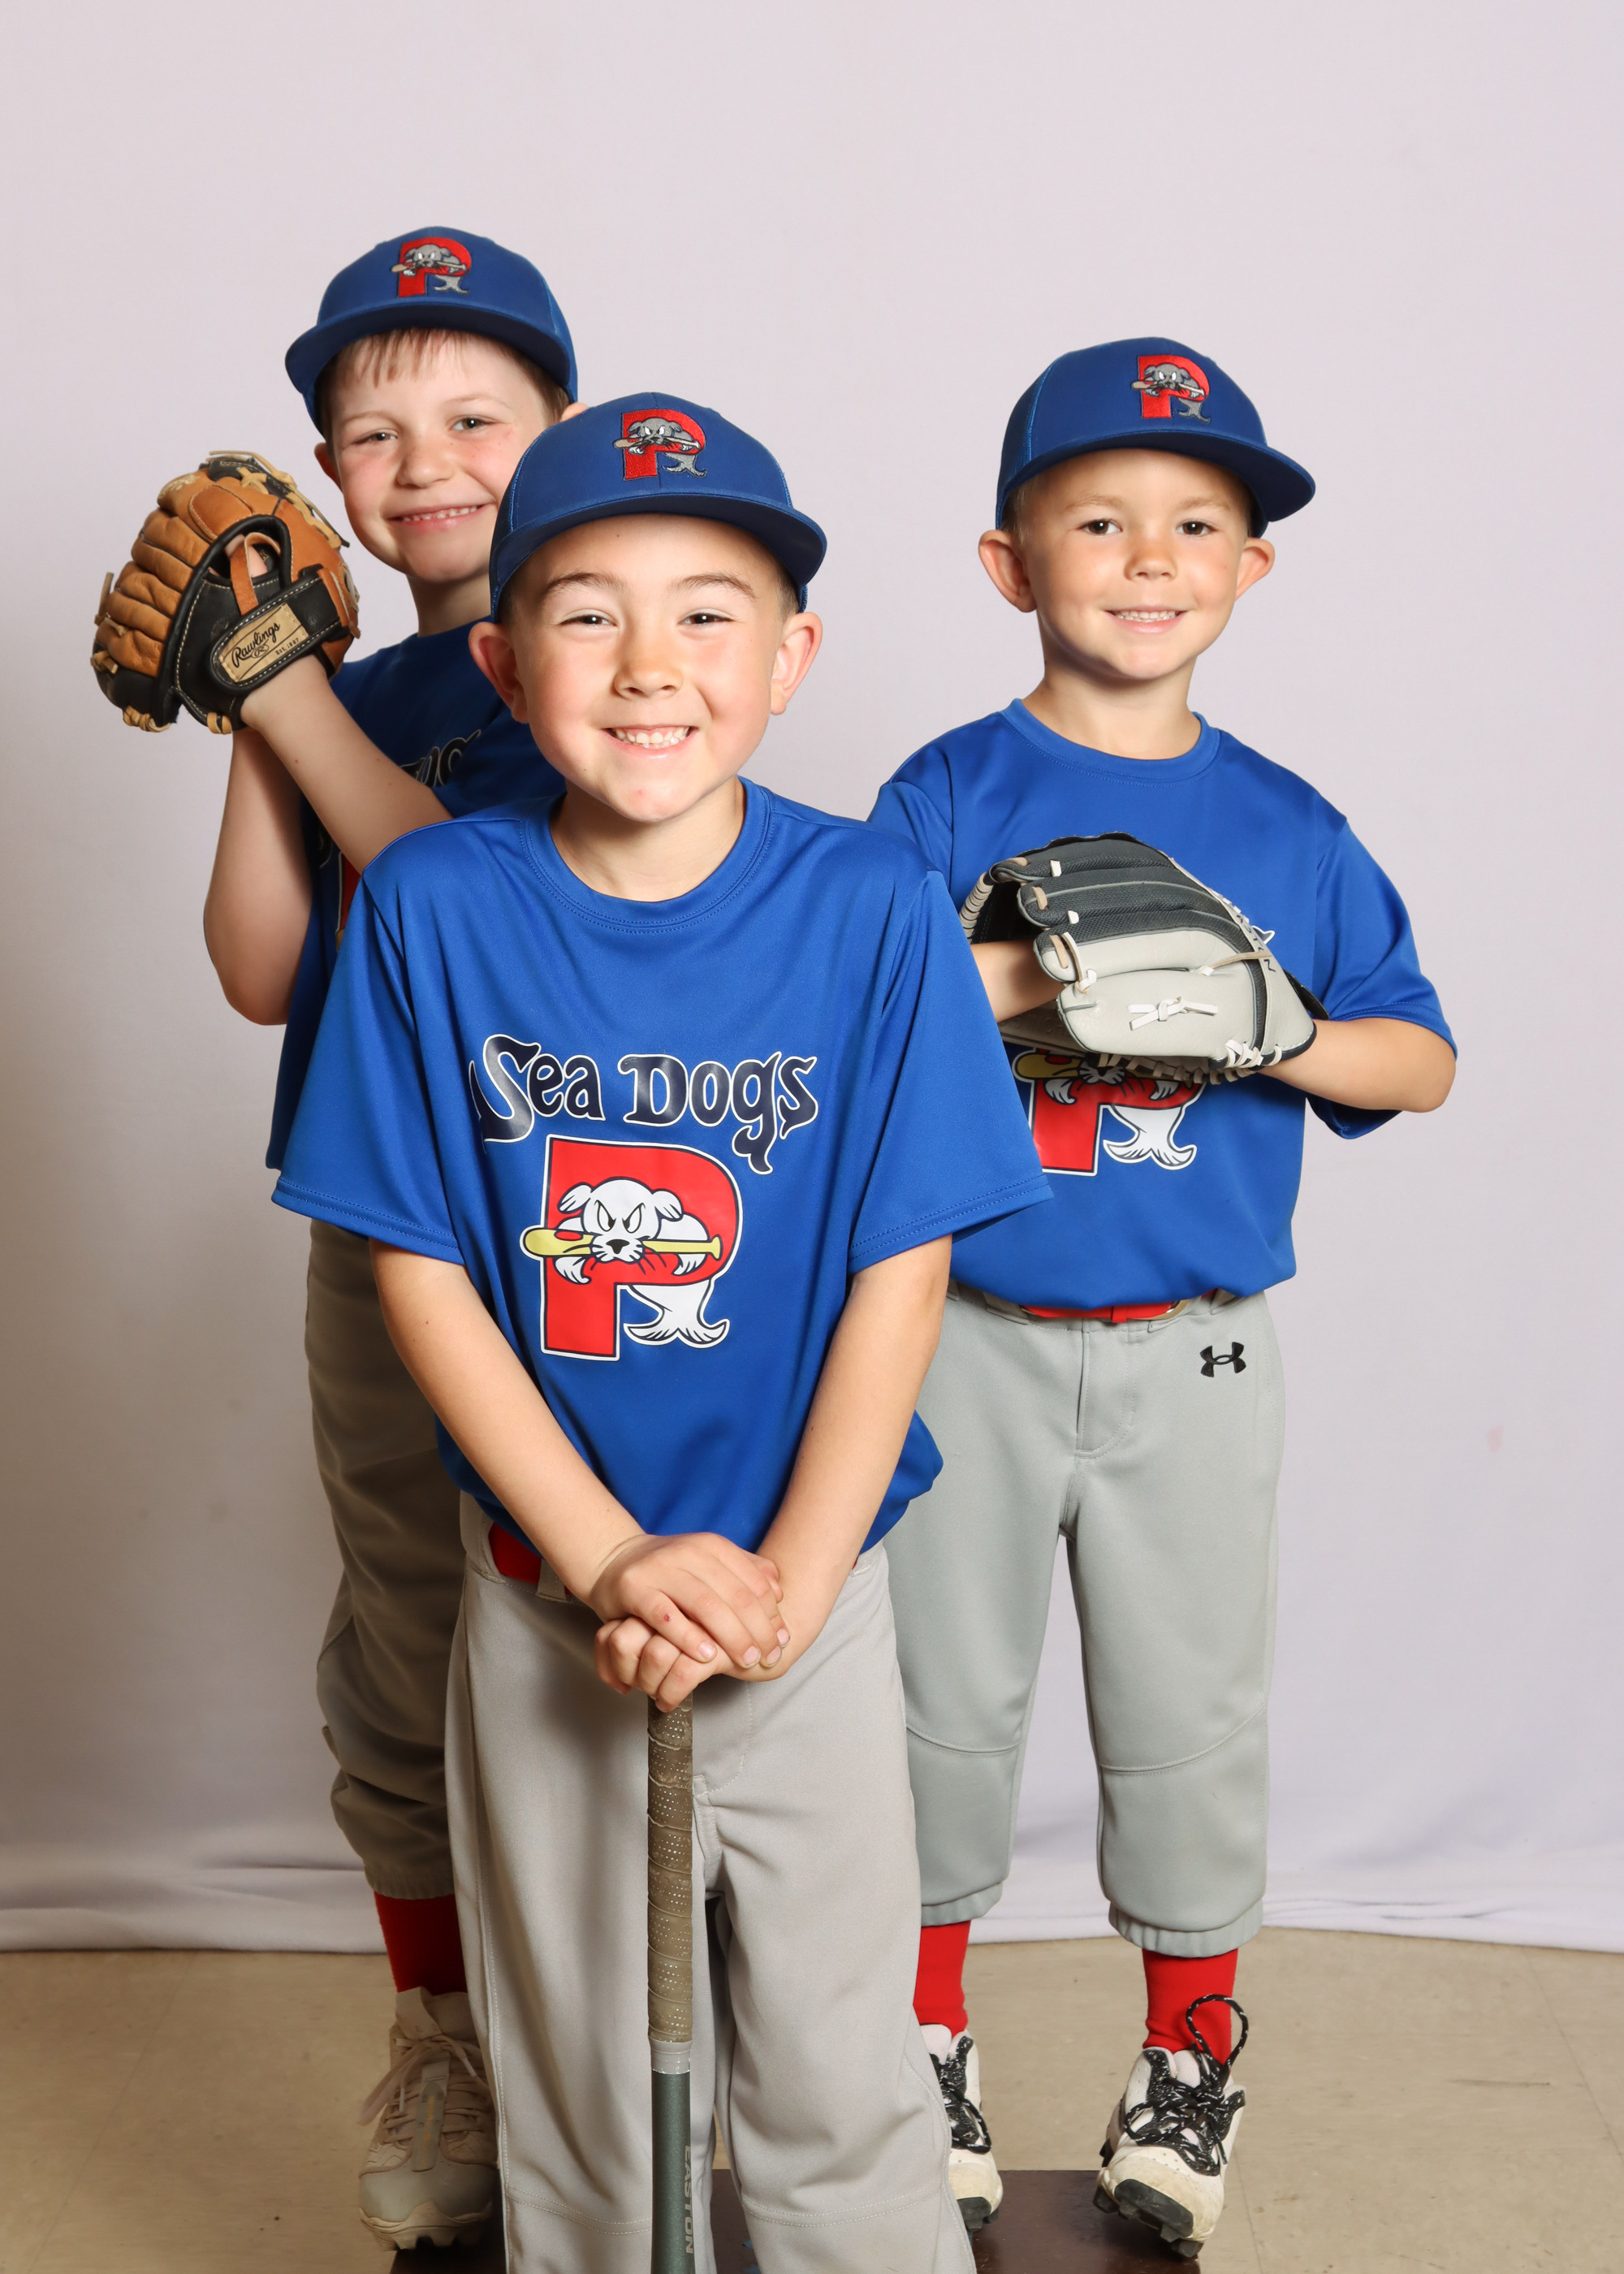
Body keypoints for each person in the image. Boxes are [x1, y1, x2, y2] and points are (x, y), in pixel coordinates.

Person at [272, 395, 1052, 2272]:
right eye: (585, 611)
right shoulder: (433, 903)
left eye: (707, 612)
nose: (647, 664)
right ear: (499, 659)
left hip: (812, 1588)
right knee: (587, 2108)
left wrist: (786, 1576)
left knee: (838, 2081)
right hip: (549, 1586)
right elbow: (421, 1271)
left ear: (791, 656)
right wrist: (609, 1550)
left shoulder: (871, 906)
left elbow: (900, 1265)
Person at [870, 338, 1456, 2256]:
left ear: (1251, 567)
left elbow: (1419, 1058)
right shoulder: (949, 788)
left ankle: (1190, 2054)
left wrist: (1268, 1024)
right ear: (1006, 561)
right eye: (1098, 519)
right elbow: (854, 1015)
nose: (1149, 558)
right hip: (955, 1335)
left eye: (1197, 524)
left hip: (1194, 1346)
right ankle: (920, 2044)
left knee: (1188, 1718)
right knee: (934, 1714)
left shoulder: (1286, 821)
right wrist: (1045, 985)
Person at [200, 227, 577, 2250]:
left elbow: (467, 911)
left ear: (564, 428)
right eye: (373, 431)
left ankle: (602, 2035)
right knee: (405, 1631)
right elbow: (266, 967)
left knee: (581, 1628)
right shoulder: (335, 690)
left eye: (475, 416)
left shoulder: (592, 651)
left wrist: (294, 703)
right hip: (375, 1214)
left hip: (574, 1233)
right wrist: (258, 709)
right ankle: (443, 2030)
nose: (422, 460)